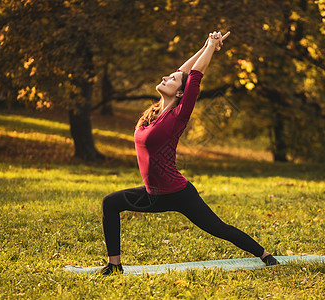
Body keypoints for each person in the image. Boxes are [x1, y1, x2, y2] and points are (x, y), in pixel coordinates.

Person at [100, 31, 279, 275]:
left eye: (171, 79)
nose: (166, 77)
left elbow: (194, 75)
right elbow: (183, 73)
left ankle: (265, 255)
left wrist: (212, 47)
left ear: (180, 94)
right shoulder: (154, 112)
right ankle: (114, 265)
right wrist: (206, 44)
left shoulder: (177, 116)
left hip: (178, 193)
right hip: (152, 194)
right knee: (110, 203)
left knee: (220, 229)